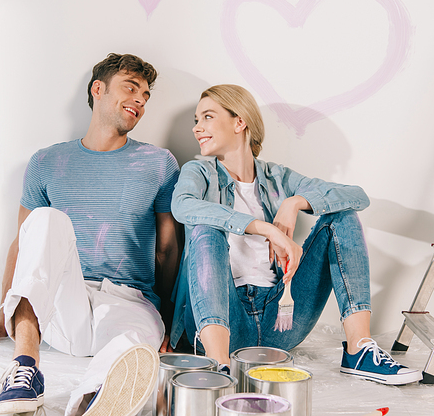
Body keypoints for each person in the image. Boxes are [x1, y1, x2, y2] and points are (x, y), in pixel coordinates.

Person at [0, 53, 182, 416]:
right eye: (131, 88)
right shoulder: (47, 162)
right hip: (65, 303)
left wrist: (168, 319)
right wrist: (1, 315)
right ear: (98, 89)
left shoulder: (158, 163)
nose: (140, 101)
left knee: (133, 345)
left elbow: (167, 249)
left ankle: (92, 404)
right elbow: (24, 245)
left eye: (146, 95)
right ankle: (25, 368)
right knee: (44, 220)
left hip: (130, 303)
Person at [169, 83, 422, 385]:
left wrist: (295, 202)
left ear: (240, 122)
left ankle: (359, 351)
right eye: (196, 120)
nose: (197, 128)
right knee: (204, 229)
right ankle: (219, 368)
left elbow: (355, 196)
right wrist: (262, 228)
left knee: (341, 214)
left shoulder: (278, 177)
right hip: (223, 320)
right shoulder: (198, 172)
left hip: (281, 317)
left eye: (207, 117)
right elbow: (183, 207)